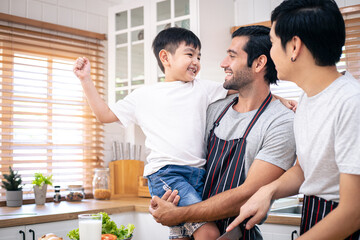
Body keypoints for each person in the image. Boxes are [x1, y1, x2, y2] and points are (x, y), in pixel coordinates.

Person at [74, 27, 229, 240]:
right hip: (167, 174)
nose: (196, 61)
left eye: (199, 56)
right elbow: (105, 114)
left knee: (183, 235)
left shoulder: (203, 88)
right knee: (209, 232)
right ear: (165, 57)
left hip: (199, 175)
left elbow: (243, 89)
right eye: (190, 54)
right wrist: (86, 80)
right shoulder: (144, 96)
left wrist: (278, 101)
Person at [226, 0, 360, 239]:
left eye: (274, 43)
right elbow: (305, 169)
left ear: (295, 46)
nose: (271, 52)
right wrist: (268, 191)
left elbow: (353, 212)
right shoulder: (307, 98)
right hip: (314, 215)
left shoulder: (351, 102)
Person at [149, 25, 297, 239]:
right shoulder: (215, 109)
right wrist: (168, 201)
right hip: (192, 229)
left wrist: (179, 213)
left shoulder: (280, 121)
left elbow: (247, 195)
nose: (223, 63)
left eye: (232, 56)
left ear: (259, 63)